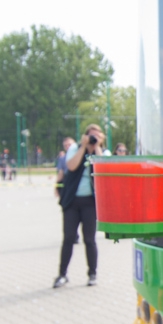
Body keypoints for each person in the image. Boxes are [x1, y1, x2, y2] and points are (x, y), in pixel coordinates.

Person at [54, 123, 105, 288]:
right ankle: (62, 274)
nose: (92, 138)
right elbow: (71, 166)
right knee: (68, 238)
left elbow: (102, 168)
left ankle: (92, 274)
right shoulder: (75, 148)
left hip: (90, 202)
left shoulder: (103, 152)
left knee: (90, 239)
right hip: (72, 202)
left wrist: (96, 147)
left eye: (96, 136)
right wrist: (83, 147)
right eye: (90, 135)